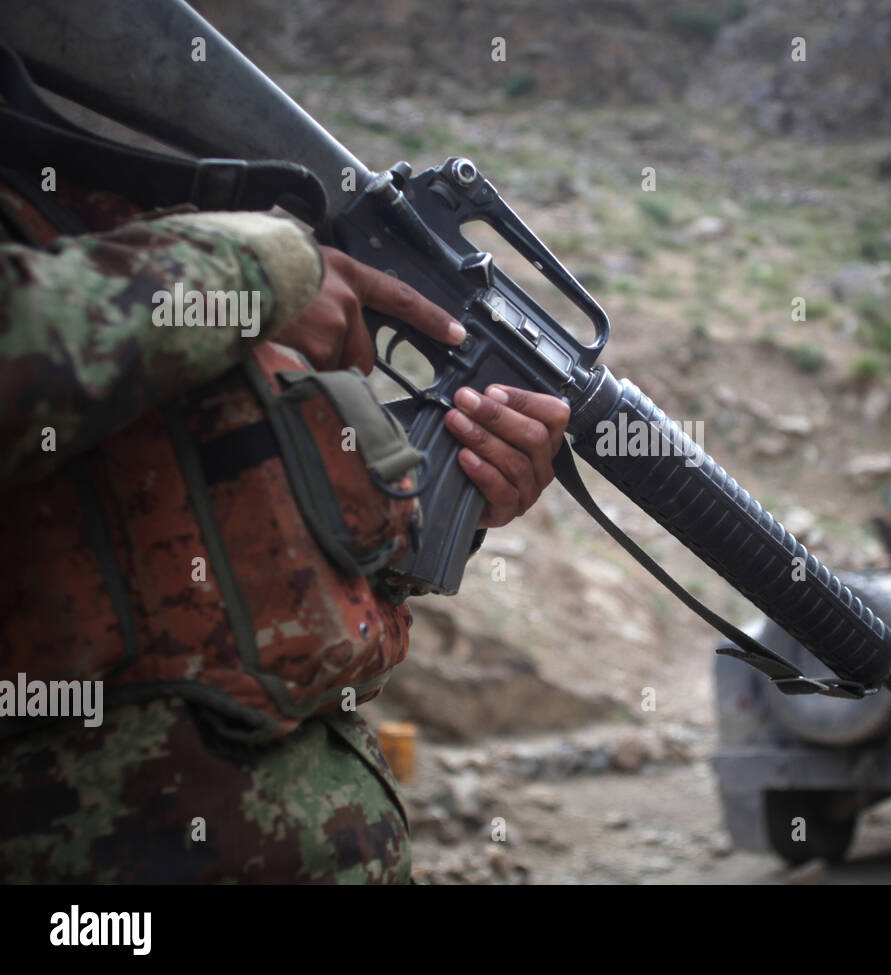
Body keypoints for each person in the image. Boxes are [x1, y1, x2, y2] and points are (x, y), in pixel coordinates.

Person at [0, 115, 570, 882]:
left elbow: (245, 564)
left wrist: (455, 496)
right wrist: (263, 270)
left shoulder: (104, 199)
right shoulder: (225, 265)